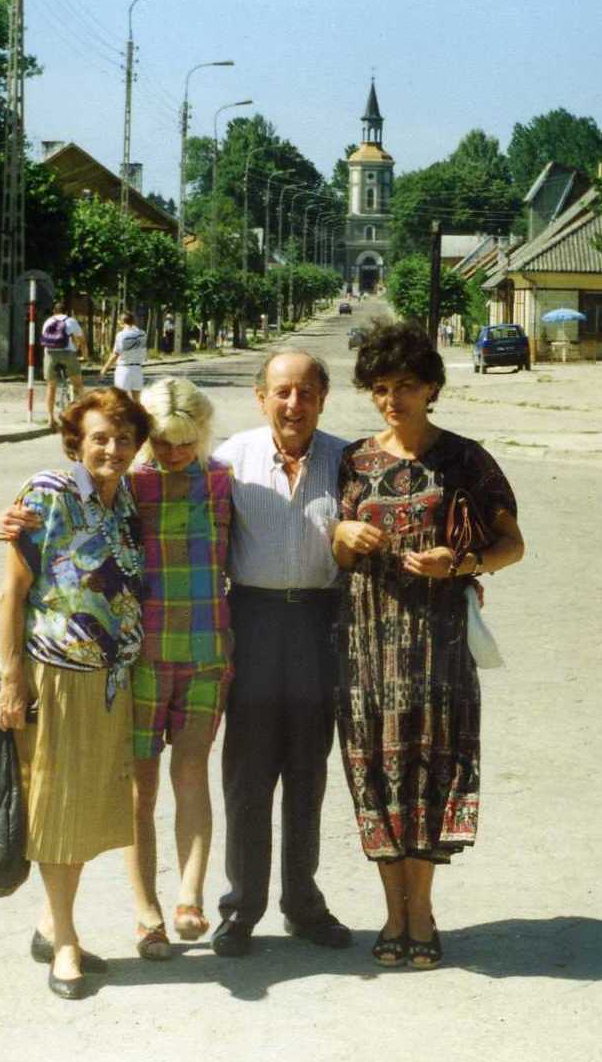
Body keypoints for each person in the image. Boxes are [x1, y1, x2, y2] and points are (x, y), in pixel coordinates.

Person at [332, 320, 524, 969]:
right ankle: (393, 914)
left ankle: (423, 909)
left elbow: (512, 544)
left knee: (427, 772)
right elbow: (330, 539)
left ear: (433, 387)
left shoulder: (465, 459)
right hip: (364, 647)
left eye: (407, 386)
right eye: (381, 388)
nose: (393, 400)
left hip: (438, 647)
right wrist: (344, 538)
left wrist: (461, 562)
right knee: (378, 777)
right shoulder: (354, 460)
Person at [0, 388, 149, 1000]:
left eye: (123, 437)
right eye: (100, 438)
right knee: (57, 809)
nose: (113, 448)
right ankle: (64, 946)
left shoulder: (126, 500)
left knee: (82, 812)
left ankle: (50, 922)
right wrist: (10, 679)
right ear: (77, 443)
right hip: (55, 675)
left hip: (109, 681)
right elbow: (13, 593)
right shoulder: (48, 494)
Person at [210, 349, 351, 957]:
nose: (294, 405)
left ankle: (303, 903)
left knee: (307, 773)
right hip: (253, 621)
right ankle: (241, 907)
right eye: (282, 392)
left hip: (320, 624)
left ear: (323, 397)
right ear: (259, 395)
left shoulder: (350, 461)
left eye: (307, 393)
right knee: (247, 774)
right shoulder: (228, 460)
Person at [126, 378, 233, 956]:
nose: (173, 454)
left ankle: (189, 895)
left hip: (205, 653)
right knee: (139, 792)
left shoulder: (220, 480)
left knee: (192, 774)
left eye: (184, 442)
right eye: (162, 442)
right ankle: (146, 912)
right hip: (140, 659)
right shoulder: (128, 484)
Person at [40, 301, 87, 430]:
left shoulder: (47, 322)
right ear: (67, 311)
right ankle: (82, 416)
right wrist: (85, 356)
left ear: (54, 312)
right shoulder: (71, 321)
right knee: (78, 384)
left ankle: (50, 419)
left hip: (50, 354)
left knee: (51, 386)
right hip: (68, 354)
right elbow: (82, 340)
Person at [102, 311, 147, 402]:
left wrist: (105, 368)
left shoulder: (121, 335)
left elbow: (115, 354)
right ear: (133, 321)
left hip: (124, 369)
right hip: (138, 369)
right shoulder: (142, 334)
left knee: (120, 400)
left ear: (120, 322)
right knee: (137, 401)